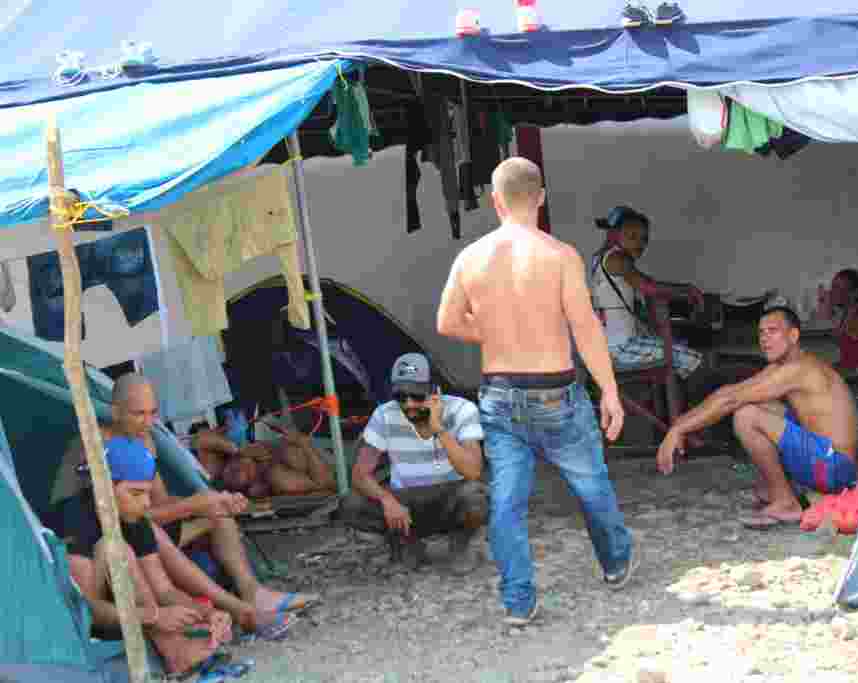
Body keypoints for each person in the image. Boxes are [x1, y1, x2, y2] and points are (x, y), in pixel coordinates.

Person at [437, 157, 635, 626]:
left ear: (495, 200)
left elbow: (446, 322)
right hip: (556, 391)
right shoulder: (560, 255)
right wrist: (609, 390)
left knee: (506, 502)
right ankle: (614, 563)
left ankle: (519, 602)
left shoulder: (471, 257)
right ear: (541, 198)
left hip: (501, 393)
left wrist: (492, 332)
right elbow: (585, 329)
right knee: (591, 485)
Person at [51, 373, 318, 617]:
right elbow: (126, 516)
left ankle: (253, 593)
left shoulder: (145, 440)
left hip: (142, 530)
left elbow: (158, 502)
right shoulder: (96, 445)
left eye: (153, 413)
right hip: (101, 541)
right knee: (155, 529)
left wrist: (213, 503)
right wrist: (194, 503)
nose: (148, 422)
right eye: (138, 414)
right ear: (116, 412)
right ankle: (236, 609)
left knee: (218, 516)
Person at [655, 306, 858, 529]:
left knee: (746, 415)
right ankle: (785, 490)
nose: (764, 339)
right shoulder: (784, 366)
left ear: (793, 336)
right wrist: (678, 426)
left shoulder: (799, 369)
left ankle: (786, 503)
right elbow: (730, 392)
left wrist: (678, 430)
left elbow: (731, 400)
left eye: (773, 331)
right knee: (758, 404)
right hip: (829, 463)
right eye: (761, 333)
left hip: (834, 469)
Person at [65, 437, 236, 675]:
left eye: (147, 492)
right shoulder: (73, 521)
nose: (146, 503)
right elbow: (87, 610)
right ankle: (175, 652)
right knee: (114, 548)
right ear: (102, 487)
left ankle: (177, 650)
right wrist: (154, 617)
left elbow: (164, 590)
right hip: (75, 625)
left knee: (123, 551)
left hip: (125, 612)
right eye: (135, 493)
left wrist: (208, 613)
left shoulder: (134, 517)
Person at [340, 353, 488, 575]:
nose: (408, 404)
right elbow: (360, 475)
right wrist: (387, 499)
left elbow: (473, 470)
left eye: (417, 395)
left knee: (476, 496)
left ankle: (461, 547)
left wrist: (439, 428)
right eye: (400, 396)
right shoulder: (384, 415)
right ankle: (407, 546)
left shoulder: (462, 410)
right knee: (352, 504)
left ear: (435, 391)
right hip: (406, 501)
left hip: (451, 497)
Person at [589, 205, 704, 379]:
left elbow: (646, 284)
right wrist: (687, 290)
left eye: (644, 239)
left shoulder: (601, 259)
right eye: (632, 237)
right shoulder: (618, 258)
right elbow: (649, 287)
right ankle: (687, 404)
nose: (640, 244)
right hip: (620, 348)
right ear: (614, 235)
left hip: (608, 346)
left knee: (675, 347)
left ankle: (658, 402)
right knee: (692, 359)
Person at [200, 428, 337, 499]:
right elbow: (201, 439)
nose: (236, 468)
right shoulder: (276, 474)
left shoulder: (277, 474)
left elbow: (322, 482)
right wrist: (236, 450)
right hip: (326, 464)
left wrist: (303, 443)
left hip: (329, 470)